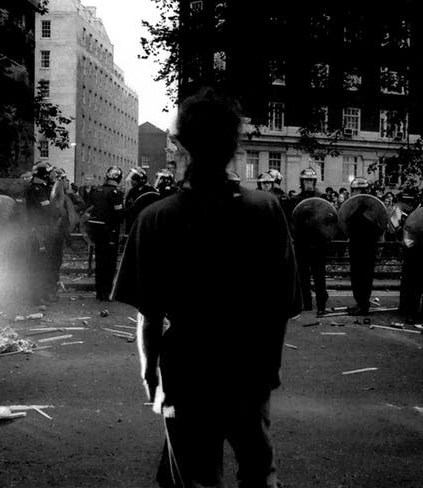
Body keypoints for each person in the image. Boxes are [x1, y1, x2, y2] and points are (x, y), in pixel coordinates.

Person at [113, 87, 301, 488]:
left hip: (188, 367)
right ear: (234, 146)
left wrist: (152, 375)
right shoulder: (265, 211)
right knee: (257, 469)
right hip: (249, 363)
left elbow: (149, 316)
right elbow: (281, 304)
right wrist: (269, 367)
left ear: (181, 146)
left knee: (194, 475)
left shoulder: (155, 219)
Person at [292, 166, 330, 314]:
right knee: (303, 276)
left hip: (318, 242)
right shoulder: (295, 199)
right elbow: (292, 221)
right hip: (302, 242)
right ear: (302, 182)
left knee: (319, 276)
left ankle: (321, 305)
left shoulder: (322, 199)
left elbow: (329, 219)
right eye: (306, 180)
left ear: (314, 182)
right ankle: (306, 303)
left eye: (311, 180)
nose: (308, 183)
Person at [345, 177, 382, 315]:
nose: (356, 193)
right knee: (356, 277)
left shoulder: (372, 208)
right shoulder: (351, 207)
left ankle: (363, 305)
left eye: (358, 191)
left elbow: (380, 226)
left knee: (364, 278)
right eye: (354, 190)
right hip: (355, 246)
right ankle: (359, 303)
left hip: (367, 247)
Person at [25, 161, 60, 304]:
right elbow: (46, 210)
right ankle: (37, 296)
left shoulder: (39, 188)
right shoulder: (38, 189)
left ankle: (41, 294)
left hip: (41, 229)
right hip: (39, 230)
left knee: (42, 264)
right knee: (39, 265)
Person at [88, 166, 124, 301]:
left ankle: (99, 291)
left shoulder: (96, 191)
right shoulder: (116, 193)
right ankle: (106, 292)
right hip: (111, 232)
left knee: (100, 261)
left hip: (97, 231)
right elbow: (118, 214)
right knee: (109, 263)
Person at [123, 167, 157, 233]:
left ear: (140, 180)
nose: (132, 182)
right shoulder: (133, 191)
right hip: (132, 224)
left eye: (134, 180)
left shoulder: (149, 192)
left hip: (141, 225)